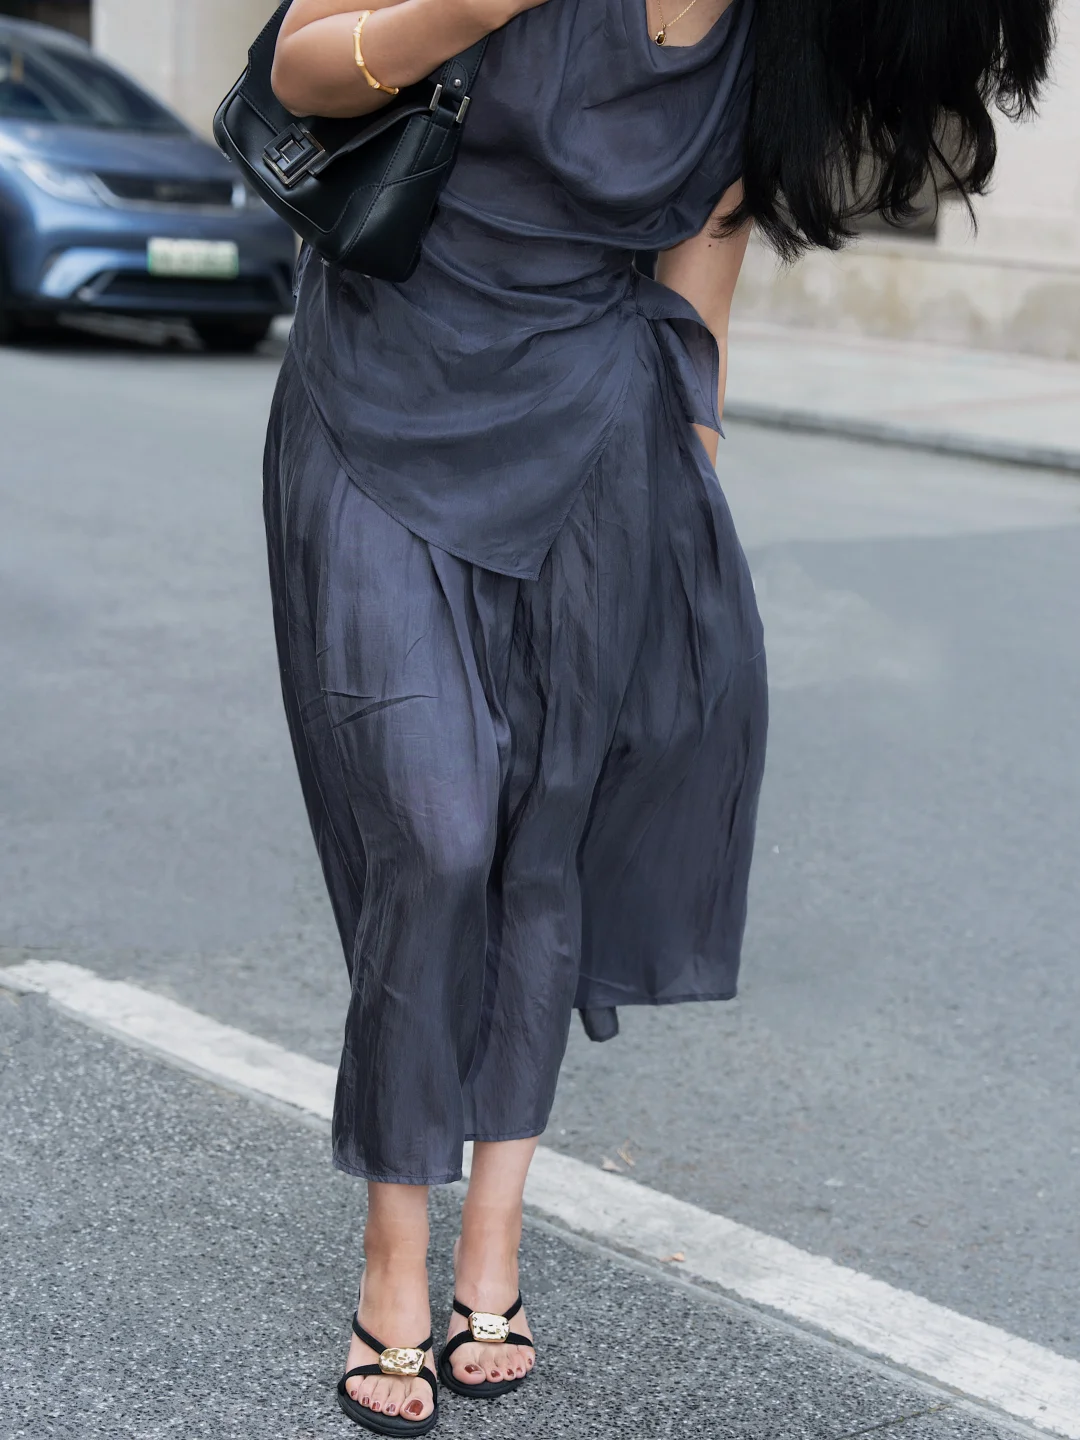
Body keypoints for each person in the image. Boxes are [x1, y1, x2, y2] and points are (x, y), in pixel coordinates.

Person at [265, 0, 1054, 1431]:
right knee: (436, 834)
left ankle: (492, 1241)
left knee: (544, 841)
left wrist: (684, 482)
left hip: (599, 442)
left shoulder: (773, 39)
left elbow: (704, 277)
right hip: (380, 400)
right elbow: (300, 68)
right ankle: (392, 1241)